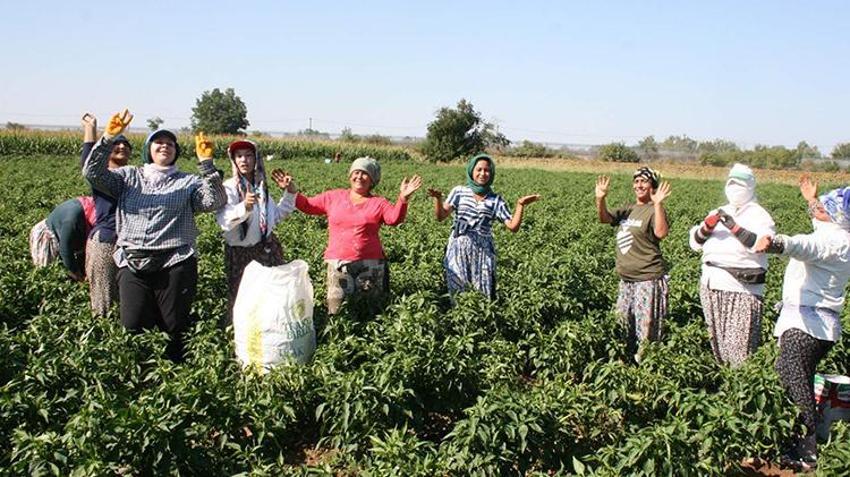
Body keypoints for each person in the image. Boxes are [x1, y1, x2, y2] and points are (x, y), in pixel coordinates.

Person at [83, 109, 226, 361]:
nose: (164, 146)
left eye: (170, 144)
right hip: (132, 260)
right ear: (148, 149)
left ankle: (173, 374)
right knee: (132, 323)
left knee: (173, 325)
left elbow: (212, 201)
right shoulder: (128, 177)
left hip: (175, 261)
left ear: (176, 152)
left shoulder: (188, 182)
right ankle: (140, 375)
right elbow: (93, 174)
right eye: (159, 142)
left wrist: (207, 165)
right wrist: (107, 138)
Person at [754, 176, 850, 472]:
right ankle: (795, 442)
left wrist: (775, 242)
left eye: (825, 205)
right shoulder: (838, 233)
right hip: (812, 324)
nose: (819, 207)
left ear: (838, 216)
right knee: (797, 379)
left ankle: (805, 451)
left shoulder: (835, 242)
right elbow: (821, 224)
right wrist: (811, 198)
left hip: (807, 326)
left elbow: (805, 245)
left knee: (794, 383)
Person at [295, 156, 421, 315]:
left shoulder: (378, 203)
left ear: (373, 179)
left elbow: (394, 219)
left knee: (369, 312)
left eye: (365, 173)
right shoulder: (334, 197)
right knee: (336, 311)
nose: (359, 177)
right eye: (356, 172)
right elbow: (307, 205)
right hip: (339, 264)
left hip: (370, 265)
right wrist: (291, 191)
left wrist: (403, 199)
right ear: (350, 175)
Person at [688, 163, 775, 367]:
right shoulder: (719, 211)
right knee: (717, 344)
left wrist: (733, 226)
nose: (735, 188)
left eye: (740, 184)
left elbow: (761, 244)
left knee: (739, 350)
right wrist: (708, 227)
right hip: (711, 284)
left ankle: (739, 389)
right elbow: (695, 242)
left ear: (751, 186)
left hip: (741, 289)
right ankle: (725, 384)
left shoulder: (759, 215)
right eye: (732, 183)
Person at [427, 153, 539, 299]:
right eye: (478, 169)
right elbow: (441, 216)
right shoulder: (459, 191)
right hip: (458, 247)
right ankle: (460, 319)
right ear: (471, 171)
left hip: (483, 250)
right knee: (457, 289)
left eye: (486, 170)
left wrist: (520, 205)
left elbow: (513, 226)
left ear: (491, 174)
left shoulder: (496, 200)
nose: (482, 173)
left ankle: (481, 320)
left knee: (482, 292)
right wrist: (438, 199)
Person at [216, 139, 297, 323]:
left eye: (249, 155)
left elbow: (275, 216)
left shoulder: (262, 187)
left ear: (256, 158)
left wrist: (290, 192)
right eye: (239, 156)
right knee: (242, 302)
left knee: (270, 301)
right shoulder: (229, 188)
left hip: (266, 250)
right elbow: (224, 221)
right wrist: (244, 207)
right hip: (240, 254)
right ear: (233, 160)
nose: (244, 160)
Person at [595, 167, 671, 363]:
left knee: (646, 331)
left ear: (652, 186)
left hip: (647, 278)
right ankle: (626, 365)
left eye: (644, 182)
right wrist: (601, 198)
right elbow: (604, 218)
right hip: (626, 280)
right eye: (636, 181)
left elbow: (661, 233)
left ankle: (646, 370)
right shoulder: (628, 210)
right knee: (622, 325)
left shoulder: (653, 210)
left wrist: (658, 204)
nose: (639, 185)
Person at [80, 113, 133, 316]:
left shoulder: (133, 175)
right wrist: (90, 129)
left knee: (125, 298)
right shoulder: (101, 176)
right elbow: (89, 161)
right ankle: (101, 336)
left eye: (126, 145)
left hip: (129, 242)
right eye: (116, 145)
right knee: (104, 300)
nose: (121, 147)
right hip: (106, 241)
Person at [29, 196, 96, 282]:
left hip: (70, 232)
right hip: (49, 236)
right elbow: (65, 249)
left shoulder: (93, 210)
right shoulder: (73, 218)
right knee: (48, 274)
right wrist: (78, 274)